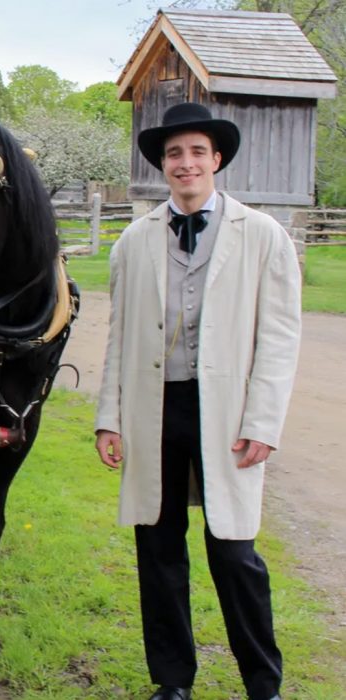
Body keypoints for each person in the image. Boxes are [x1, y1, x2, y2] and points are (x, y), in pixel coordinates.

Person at [95, 102, 301, 700]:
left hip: (228, 416)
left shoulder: (261, 236)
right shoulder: (133, 241)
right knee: (158, 552)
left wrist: (263, 421)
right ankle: (173, 682)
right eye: (174, 154)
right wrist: (109, 418)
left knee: (235, 554)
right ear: (163, 165)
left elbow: (280, 338)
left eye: (196, 152)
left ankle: (263, 684)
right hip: (153, 412)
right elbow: (120, 339)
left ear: (217, 160)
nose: (185, 164)